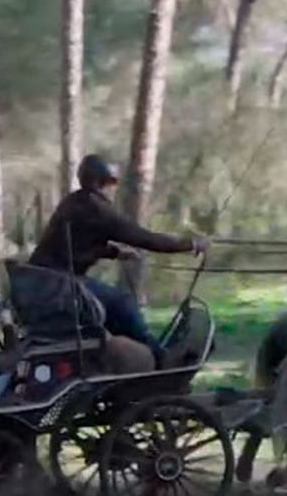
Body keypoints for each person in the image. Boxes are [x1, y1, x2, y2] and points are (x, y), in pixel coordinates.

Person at [29, 154, 207, 364]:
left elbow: (74, 243)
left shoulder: (73, 202)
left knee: (108, 302)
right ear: (98, 182)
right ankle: (160, 357)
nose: (114, 188)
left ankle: (129, 357)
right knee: (121, 301)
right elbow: (145, 238)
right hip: (60, 285)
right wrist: (191, 244)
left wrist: (114, 252)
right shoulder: (97, 209)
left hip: (43, 281)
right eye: (111, 182)